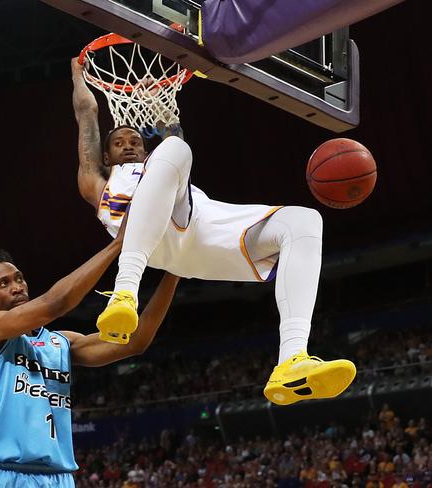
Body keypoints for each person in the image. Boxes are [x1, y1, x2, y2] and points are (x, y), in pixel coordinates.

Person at [70, 57, 355, 406]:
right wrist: (77, 78)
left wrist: (159, 101)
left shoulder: (158, 166)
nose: (129, 144)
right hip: (153, 243)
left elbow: (172, 136)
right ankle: (125, 293)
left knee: (305, 220)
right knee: (175, 148)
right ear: (105, 156)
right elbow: (87, 115)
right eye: (119, 142)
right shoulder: (97, 181)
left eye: (134, 140)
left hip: (203, 230)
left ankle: (292, 360)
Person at [0, 225, 180, 487]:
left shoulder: (60, 342)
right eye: (4, 283)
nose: (16, 286)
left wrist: (175, 271)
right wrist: (118, 245)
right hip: (8, 474)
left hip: (60, 477)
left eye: (19, 278)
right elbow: (55, 304)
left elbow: (136, 341)